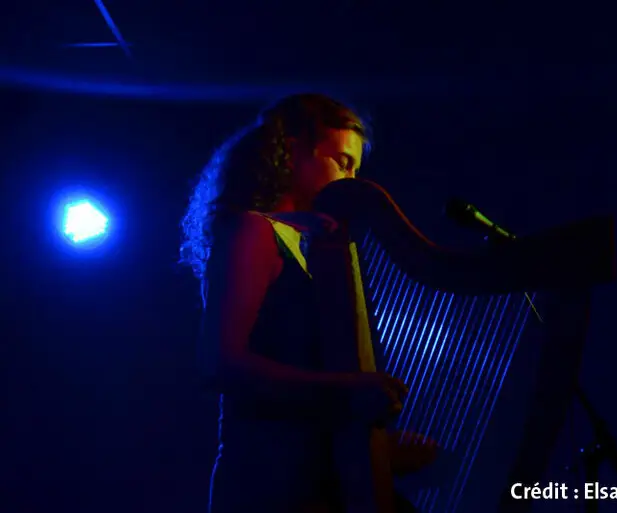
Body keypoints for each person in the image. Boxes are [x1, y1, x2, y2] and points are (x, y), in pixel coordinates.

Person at [180, 93, 438, 513]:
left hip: (317, 481)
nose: (352, 179)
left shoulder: (314, 248)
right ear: (293, 151)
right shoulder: (253, 231)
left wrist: (384, 450)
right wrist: (348, 391)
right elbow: (220, 364)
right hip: (266, 484)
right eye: (343, 161)